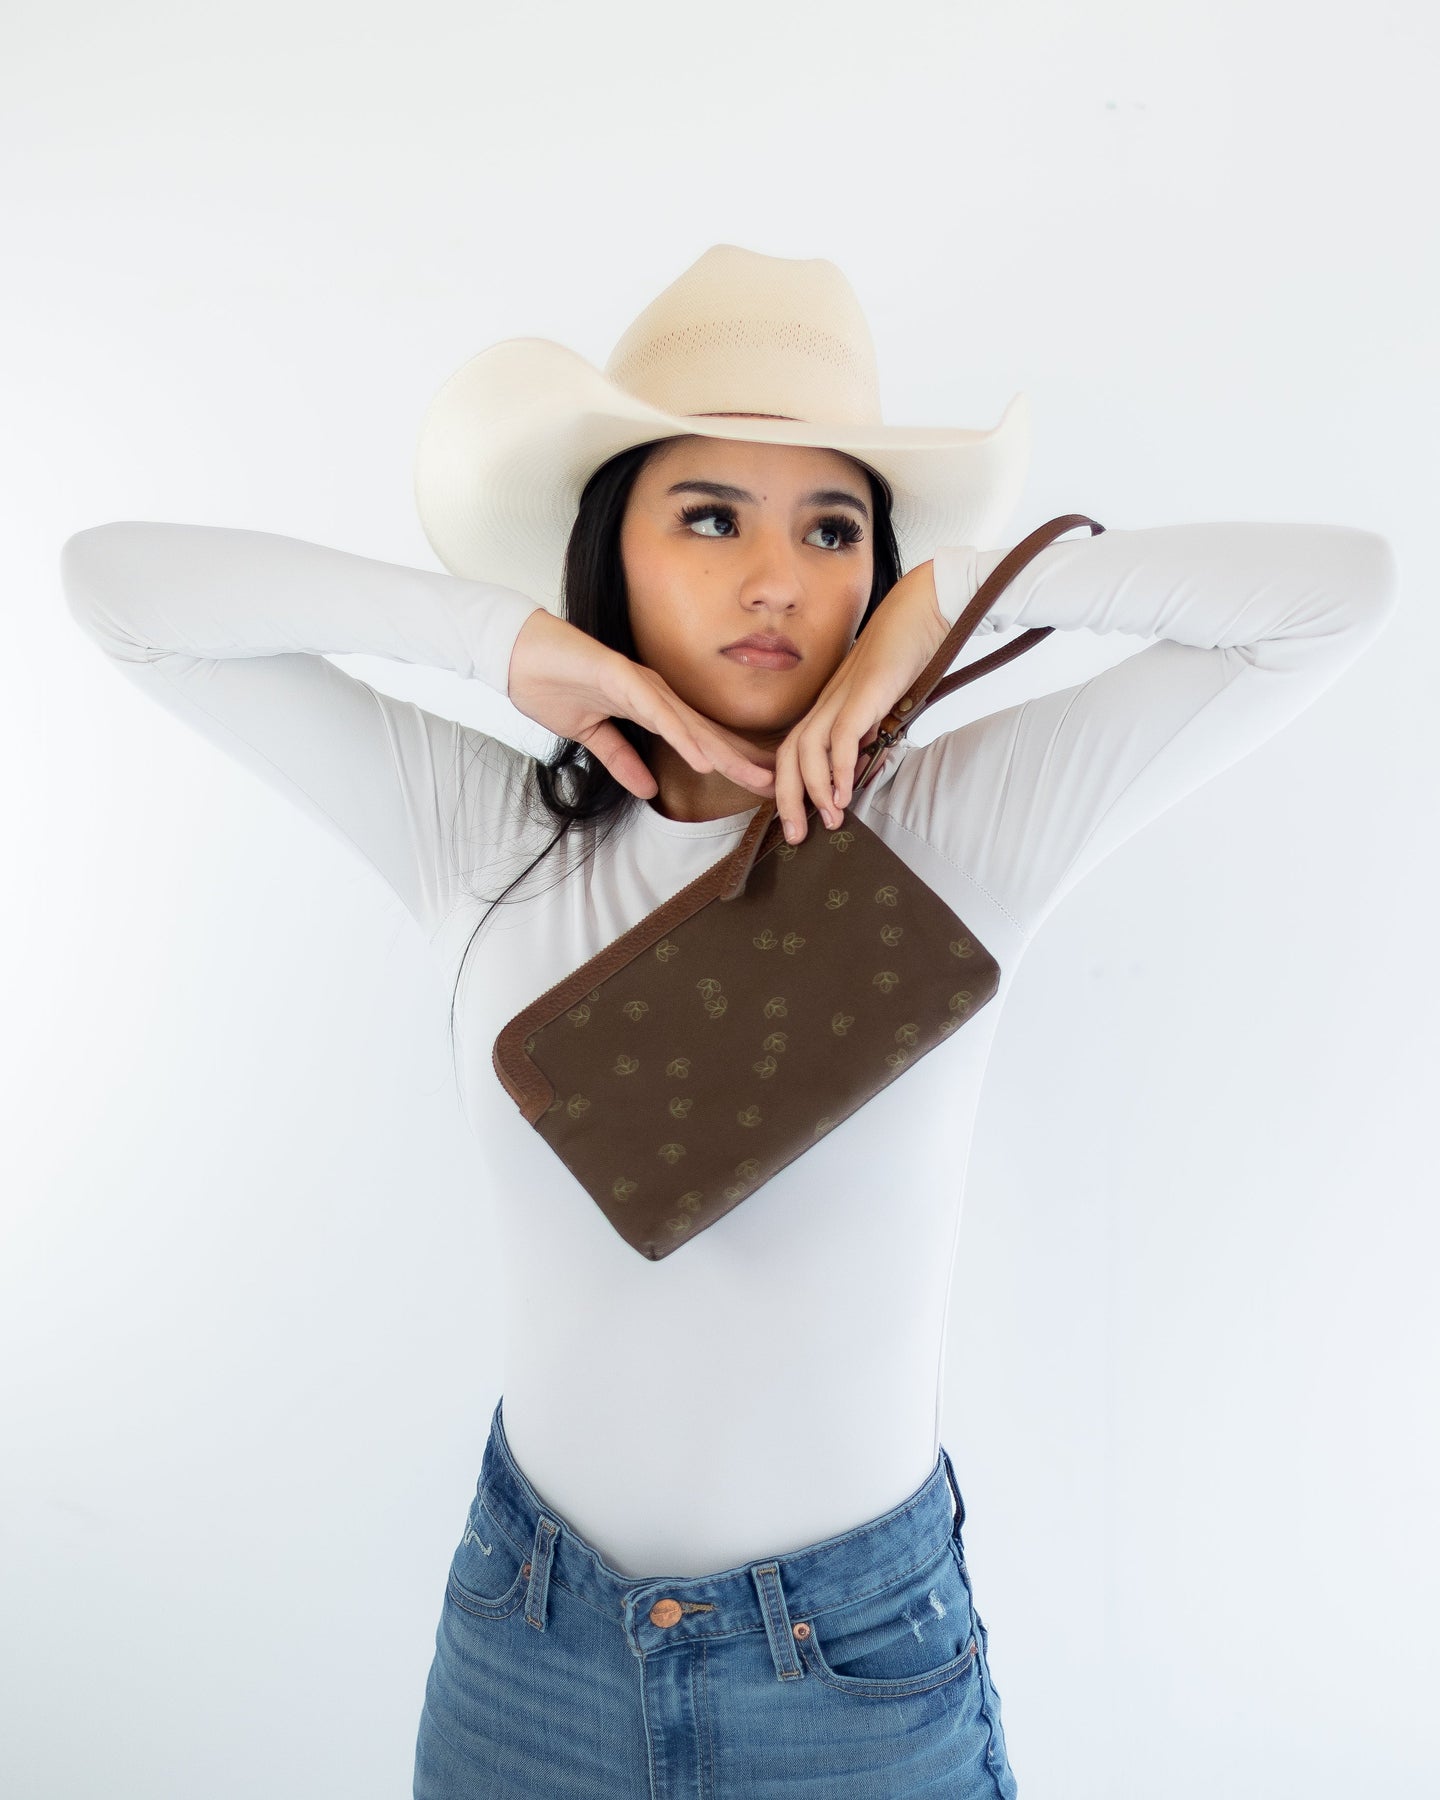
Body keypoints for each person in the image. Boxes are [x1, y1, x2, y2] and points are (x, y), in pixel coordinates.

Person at [60, 244, 1399, 1798]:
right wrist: (507, 645)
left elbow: (1337, 595)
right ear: (609, 554)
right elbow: (121, 592)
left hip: (848, 1677)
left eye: (834, 529)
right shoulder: (486, 837)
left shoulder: (963, 827)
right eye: (708, 517)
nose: (779, 578)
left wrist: (949, 601)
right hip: (525, 1649)